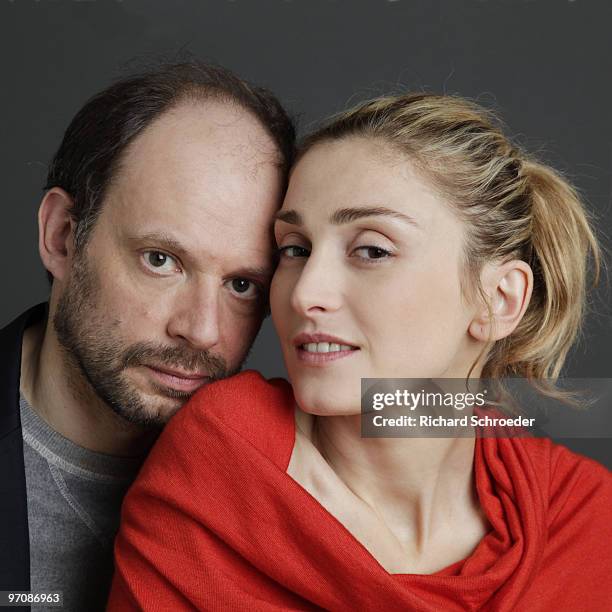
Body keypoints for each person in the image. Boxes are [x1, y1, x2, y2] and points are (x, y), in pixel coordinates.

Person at [108, 93, 612, 610]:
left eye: (371, 250)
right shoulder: (225, 462)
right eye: (295, 250)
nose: (305, 293)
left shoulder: (585, 517)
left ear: (499, 299)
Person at [0, 60, 295, 610]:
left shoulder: (271, 456)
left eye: (241, 284)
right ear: (63, 237)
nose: (202, 331)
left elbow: (479, 427)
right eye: (161, 260)